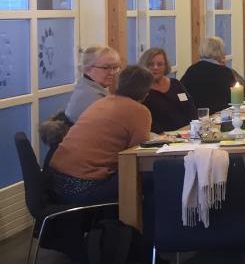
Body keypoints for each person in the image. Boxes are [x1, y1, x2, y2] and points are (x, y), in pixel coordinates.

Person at [48, 65, 154, 205]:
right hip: (82, 187)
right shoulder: (139, 111)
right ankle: (139, 219)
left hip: (54, 183)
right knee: (154, 173)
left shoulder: (102, 102)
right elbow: (139, 156)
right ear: (146, 93)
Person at [40, 46, 122, 148]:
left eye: (115, 67)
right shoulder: (91, 96)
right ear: (88, 69)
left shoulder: (87, 86)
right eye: (106, 68)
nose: (112, 72)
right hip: (72, 155)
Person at [138, 47, 197, 134]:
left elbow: (190, 107)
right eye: (151, 64)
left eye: (160, 64)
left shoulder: (176, 84)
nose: (155, 67)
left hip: (186, 134)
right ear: (144, 66)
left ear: (165, 66)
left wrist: (194, 128)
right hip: (160, 138)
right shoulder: (142, 91)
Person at [180, 36, 237, 114]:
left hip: (197, 117)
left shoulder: (191, 70)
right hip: (221, 116)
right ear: (220, 52)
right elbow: (234, 99)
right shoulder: (225, 72)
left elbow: (181, 93)